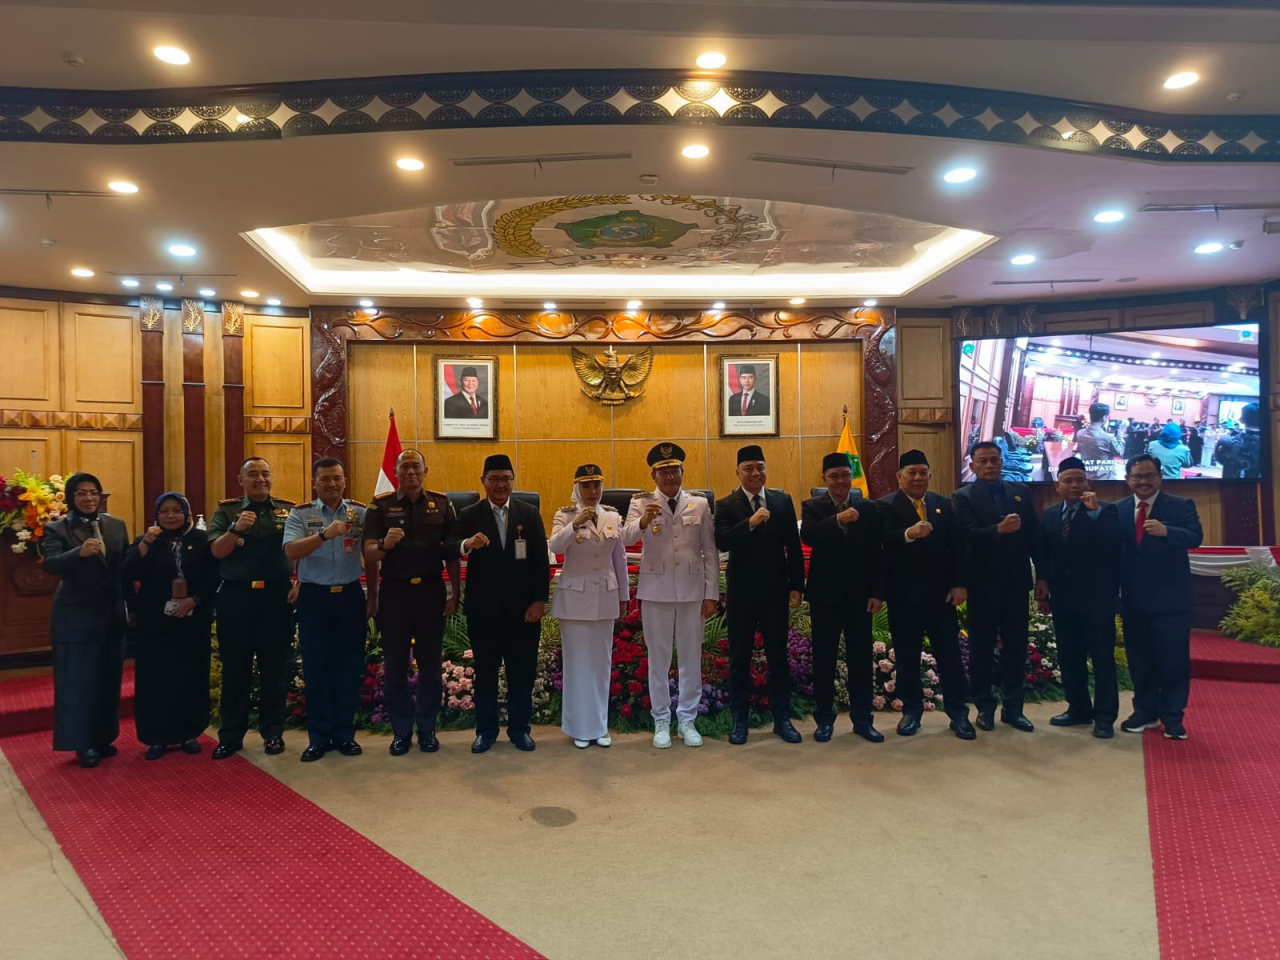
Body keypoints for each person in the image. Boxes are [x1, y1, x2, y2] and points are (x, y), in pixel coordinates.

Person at [363, 450, 462, 756]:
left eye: (415, 467)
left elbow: (452, 552)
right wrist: (384, 545)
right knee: (395, 666)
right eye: (404, 467)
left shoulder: (442, 504)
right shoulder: (380, 506)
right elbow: (369, 553)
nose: (410, 472)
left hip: (431, 591)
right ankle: (401, 731)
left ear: (425, 470)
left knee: (431, 666)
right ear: (395, 472)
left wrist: (456, 593)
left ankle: (428, 729)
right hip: (395, 593)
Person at [622, 443, 720, 749]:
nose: (669, 476)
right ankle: (661, 720)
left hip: (692, 592)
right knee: (659, 660)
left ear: (682, 472)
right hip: (656, 593)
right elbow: (624, 538)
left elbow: (710, 552)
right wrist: (642, 521)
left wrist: (711, 593)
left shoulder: (699, 503)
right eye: (663, 471)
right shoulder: (641, 502)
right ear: (653, 475)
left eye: (674, 470)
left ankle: (687, 719)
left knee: (691, 658)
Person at [876, 451, 974, 739]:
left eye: (923, 472)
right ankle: (911, 712)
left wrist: (960, 584)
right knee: (907, 657)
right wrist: (909, 533)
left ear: (929, 475)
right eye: (912, 472)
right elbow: (880, 541)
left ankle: (958, 713)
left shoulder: (943, 504)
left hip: (941, 597)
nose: (918, 478)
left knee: (950, 656)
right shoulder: (884, 505)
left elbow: (959, 547)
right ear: (899, 476)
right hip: (903, 597)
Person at [457, 454, 550, 753]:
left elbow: (541, 561)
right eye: (494, 479)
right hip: (483, 611)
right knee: (485, 673)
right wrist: (466, 544)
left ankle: (520, 730)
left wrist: (540, 600)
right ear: (483, 481)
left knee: (521, 673)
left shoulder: (529, 513)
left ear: (513, 481)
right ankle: (485, 732)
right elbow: (448, 545)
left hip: (523, 611)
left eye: (506, 479)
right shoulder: (469, 514)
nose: (500, 485)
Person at [714, 445, 805, 745]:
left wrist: (797, 585)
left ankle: (782, 719)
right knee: (739, 658)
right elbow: (722, 541)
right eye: (749, 468)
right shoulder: (726, 505)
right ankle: (739, 721)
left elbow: (793, 545)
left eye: (760, 467)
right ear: (737, 472)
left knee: (778, 657)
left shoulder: (782, 501)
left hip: (775, 591)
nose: (755, 473)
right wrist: (750, 523)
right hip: (742, 592)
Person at [39, 472, 131, 768]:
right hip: (75, 618)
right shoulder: (56, 528)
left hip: (111, 616)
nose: (89, 498)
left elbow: (124, 570)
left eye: (93, 492)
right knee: (78, 683)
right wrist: (78, 553)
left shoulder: (116, 525)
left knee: (107, 680)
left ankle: (103, 738)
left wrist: (132, 609)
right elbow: (50, 565)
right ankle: (83, 743)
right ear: (71, 497)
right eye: (81, 493)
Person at [208, 457, 296, 759]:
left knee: (275, 669)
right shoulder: (227, 510)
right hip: (237, 597)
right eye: (253, 474)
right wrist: (235, 530)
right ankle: (231, 735)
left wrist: (299, 582)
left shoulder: (288, 509)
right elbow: (217, 551)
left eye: (265, 474)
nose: (260, 479)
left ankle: (273, 733)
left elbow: (300, 549)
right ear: (241, 480)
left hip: (276, 596)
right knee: (236, 669)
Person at [284, 458, 371, 762]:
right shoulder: (301, 513)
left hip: (349, 596)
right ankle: (318, 738)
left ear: (344, 480)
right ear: (314, 483)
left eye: (337, 478)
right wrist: (323, 535)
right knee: (317, 668)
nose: (332, 484)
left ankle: (345, 735)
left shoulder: (359, 513)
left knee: (349, 668)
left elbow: (371, 555)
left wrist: (374, 594)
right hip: (314, 598)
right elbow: (291, 550)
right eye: (325, 479)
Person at [952, 441, 1039, 733]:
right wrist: (998, 530)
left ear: (1002, 462)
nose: (989, 465)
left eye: (994, 460)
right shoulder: (962, 496)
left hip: (1016, 585)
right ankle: (985, 708)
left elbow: (1034, 536)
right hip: (982, 585)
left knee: (1016, 649)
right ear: (973, 466)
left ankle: (1014, 710)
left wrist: (1043, 577)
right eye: (983, 461)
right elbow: (967, 536)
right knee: (981, 650)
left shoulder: (1020, 492)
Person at [1116, 454, 1203, 740]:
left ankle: (1173, 716)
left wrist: (1168, 532)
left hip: (1171, 601)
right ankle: (1145, 712)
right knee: (1140, 659)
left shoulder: (1181, 505)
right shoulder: (1118, 509)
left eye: (1149, 476)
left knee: (1173, 660)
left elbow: (1195, 537)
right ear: (1128, 479)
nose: (1143, 481)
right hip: (1133, 601)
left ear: (1160, 477)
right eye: (1137, 477)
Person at [801, 453, 886, 743]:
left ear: (852, 476)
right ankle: (824, 719)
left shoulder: (869, 507)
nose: (840, 481)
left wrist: (877, 592)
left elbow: (878, 553)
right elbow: (809, 536)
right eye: (833, 476)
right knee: (823, 659)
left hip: (860, 597)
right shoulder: (812, 506)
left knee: (860, 659)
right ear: (824, 479)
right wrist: (837, 519)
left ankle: (863, 720)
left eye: (845, 475)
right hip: (825, 596)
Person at [1033, 458, 1121, 738]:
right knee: (1070, 657)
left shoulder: (1106, 511)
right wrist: (1042, 585)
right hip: (1063, 599)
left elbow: (1113, 546)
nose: (1074, 485)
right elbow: (1044, 554)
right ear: (1057, 485)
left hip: (1098, 599)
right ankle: (1078, 709)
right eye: (1068, 480)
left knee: (1102, 658)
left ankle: (1104, 717)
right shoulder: (1050, 515)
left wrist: (1095, 515)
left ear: (1088, 483)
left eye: (1079, 480)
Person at [124, 492, 216, 760]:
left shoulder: (201, 539)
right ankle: (157, 737)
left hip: (193, 619)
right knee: (156, 680)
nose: (171, 516)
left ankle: (190, 733)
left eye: (177, 510)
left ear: (187, 514)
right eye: (164, 511)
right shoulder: (147, 540)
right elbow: (126, 572)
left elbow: (213, 576)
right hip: (155, 623)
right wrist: (145, 544)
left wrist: (195, 600)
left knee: (191, 676)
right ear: (156, 515)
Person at [548, 464, 628, 748]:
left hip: (605, 597)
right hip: (574, 601)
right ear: (577, 488)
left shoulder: (612, 516)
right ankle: (579, 727)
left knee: (601, 664)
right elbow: (555, 547)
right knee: (577, 665)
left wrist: (624, 596)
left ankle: (599, 727)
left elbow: (619, 558)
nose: (592, 491)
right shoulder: (565, 515)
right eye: (586, 486)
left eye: (596, 485)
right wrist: (575, 524)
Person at [1073, 402, 1123, 479]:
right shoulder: (1108, 437)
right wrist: (1119, 434)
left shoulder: (1080, 433)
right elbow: (1119, 452)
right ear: (1104, 418)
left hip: (1086, 474)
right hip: (1104, 477)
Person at [1215, 401, 1262, 479]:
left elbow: (1221, 461)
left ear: (1241, 419)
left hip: (1231, 485)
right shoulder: (1273, 444)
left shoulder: (1225, 442)